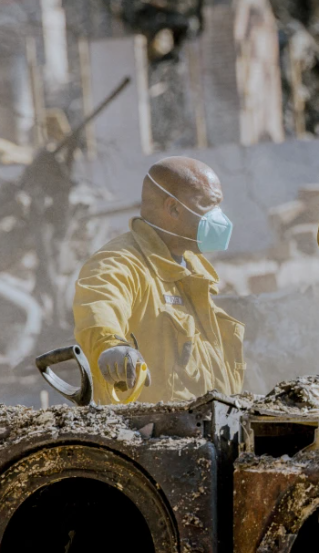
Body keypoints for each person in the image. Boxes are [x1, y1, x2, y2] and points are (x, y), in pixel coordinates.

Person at [72, 156, 245, 404]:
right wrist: (111, 347)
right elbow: (98, 311)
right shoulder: (119, 263)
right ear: (173, 208)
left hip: (209, 419)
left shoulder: (195, 268)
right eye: (208, 205)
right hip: (148, 425)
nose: (219, 217)